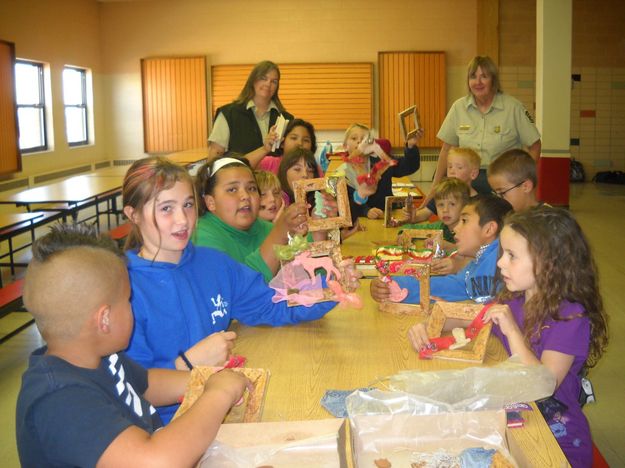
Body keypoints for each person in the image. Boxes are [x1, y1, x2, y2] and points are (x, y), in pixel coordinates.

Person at [122, 157, 336, 423]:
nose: (182, 220)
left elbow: (273, 304)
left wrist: (332, 286)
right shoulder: (122, 288)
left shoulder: (214, 264)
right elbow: (128, 388)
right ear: (133, 214)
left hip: (220, 409)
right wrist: (190, 365)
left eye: (188, 205)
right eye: (166, 208)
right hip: (162, 429)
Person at [16, 223, 249, 467]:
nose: (132, 307)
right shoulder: (59, 400)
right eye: (128, 300)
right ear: (104, 319)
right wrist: (219, 393)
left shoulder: (99, 357)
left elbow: (145, 384)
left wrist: (206, 379)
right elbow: (156, 462)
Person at [409, 207, 609, 467]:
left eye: (512, 256)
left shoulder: (571, 317)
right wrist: (428, 324)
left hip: (554, 440)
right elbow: (465, 316)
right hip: (515, 418)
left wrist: (512, 331)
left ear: (550, 263)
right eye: (503, 253)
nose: (500, 263)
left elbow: (543, 385)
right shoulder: (515, 296)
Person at [371, 194, 512, 304]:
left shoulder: (499, 264)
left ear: (489, 229)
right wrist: (391, 285)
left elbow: (484, 312)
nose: (455, 229)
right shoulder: (482, 260)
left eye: (464, 221)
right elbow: (451, 286)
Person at [432, 56, 541, 195]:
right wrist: (433, 189)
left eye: (484, 76)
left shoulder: (513, 108)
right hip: (465, 180)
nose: (478, 82)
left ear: (493, 80)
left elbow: (535, 146)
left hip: (502, 181)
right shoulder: (458, 108)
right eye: (473, 76)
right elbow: (446, 149)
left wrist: (520, 180)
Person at [193, 156, 308, 281]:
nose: (245, 196)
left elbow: (305, 270)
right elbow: (239, 290)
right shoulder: (201, 237)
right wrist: (279, 235)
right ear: (211, 202)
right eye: (232, 189)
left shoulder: (264, 227)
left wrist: (319, 230)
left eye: (251, 188)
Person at [208, 60, 293, 157]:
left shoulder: (286, 119)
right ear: (253, 80)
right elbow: (215, 155)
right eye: (263, 78)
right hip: (237, 171)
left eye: (274, 81)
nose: (268, 84)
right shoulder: (228, 114)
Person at [340, 123, 422, 220]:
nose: (359, 142)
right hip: (361, 220)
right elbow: (347, 202)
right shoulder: (344, 172)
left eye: (364, 139)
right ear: (345, 146)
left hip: (387, 214)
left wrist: (411, 146)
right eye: (354, 138)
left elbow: (409, 166)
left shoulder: (382, 161)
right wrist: (366, 211)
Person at [400, 177, 471, 275]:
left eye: (452, 204)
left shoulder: (470, 231)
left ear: (465, 207)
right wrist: (403, 234)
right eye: (441, 205)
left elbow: (475, 256)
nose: (445, 210)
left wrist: (450, 247)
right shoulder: (440, 226)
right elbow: (409, 227)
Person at [409, 147, 480, 223]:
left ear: (473, 174)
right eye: (450, 167)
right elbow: (425, 213)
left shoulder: (479, 203)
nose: (452, 171)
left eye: (459, 167)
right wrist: (413, 216)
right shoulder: (443, 193)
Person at [245, 118, 317, 173]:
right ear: (282, 143)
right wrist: (265, 149)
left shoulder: (314, 168)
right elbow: (241, 165)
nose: (300, 143)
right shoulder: (270, 163)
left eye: (306, 140)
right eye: (294, 138)